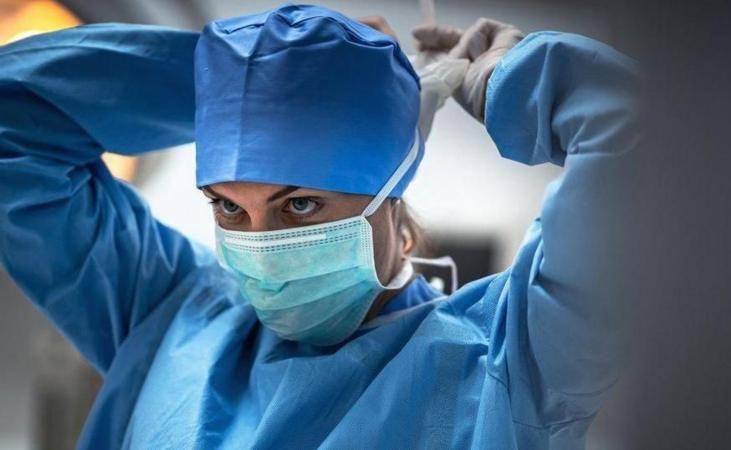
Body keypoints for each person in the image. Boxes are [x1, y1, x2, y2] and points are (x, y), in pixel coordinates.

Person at [0, 4, 637, 449]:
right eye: (227, 207)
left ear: (390, 195)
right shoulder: (171, 313)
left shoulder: (512, 361)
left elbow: (662, 156)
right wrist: (240, 75)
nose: (261, 245)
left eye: (299, 205)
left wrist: (511, 79)